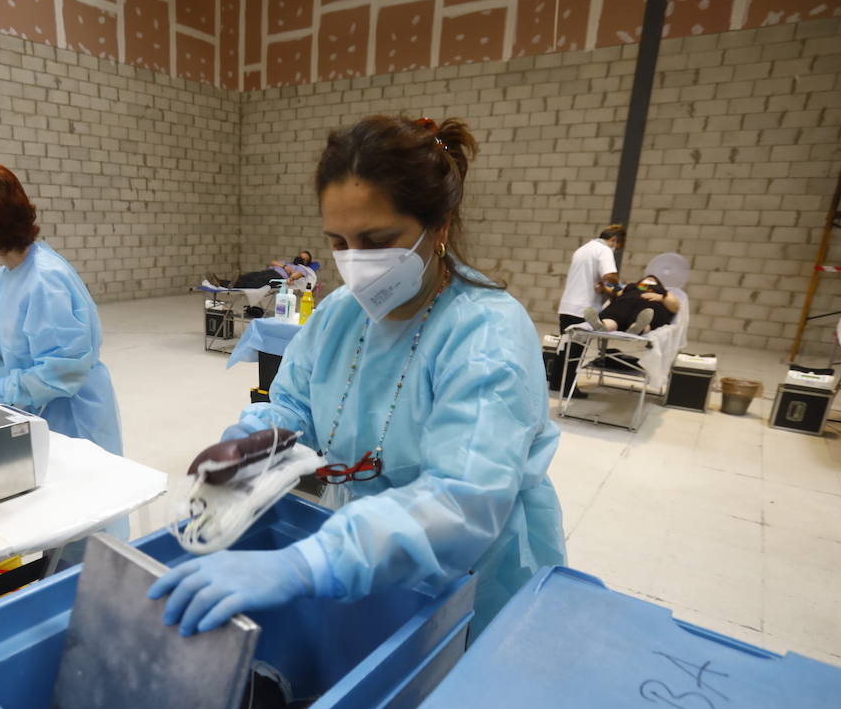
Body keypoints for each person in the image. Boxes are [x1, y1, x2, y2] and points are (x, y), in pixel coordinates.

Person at [148, 115, 565, 640]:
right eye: (339, 242)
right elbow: (293, 402)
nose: (356, 263)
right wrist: (252, 444)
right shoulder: (341, 313)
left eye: (377, 239)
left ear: (437, 228)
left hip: (476, 569)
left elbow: (462, 500)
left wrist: (304, 565)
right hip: (365, 547)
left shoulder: (485, 336)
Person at [0, 163, 123, 457]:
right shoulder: (7, 275)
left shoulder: (45, 280)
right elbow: (19, 345)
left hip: (74, 414)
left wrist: (0, 388)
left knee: (82, 489)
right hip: (39, 407)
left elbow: (63, 371)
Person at [552, 224, 625, 398]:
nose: (616, 250)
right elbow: (609, 276)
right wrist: (618, 287)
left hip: (567, 306)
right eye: (618, 246)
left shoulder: (581, 250)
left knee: (564, 348)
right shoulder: (604, 250)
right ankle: (569, 389)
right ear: (614, 240)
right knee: (576, 352)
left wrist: (603, 287)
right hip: (584, 309)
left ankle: (556, 383)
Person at [583, 273, 680, 334]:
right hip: (624, 304)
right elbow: (616, 293)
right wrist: (604, 288)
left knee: (646, 315)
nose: (650, 280)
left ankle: (638, 328)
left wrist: (662, 298)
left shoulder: (662, 291)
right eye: (647, 278)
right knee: (615, 313)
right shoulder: (631, 287)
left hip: (648, 305)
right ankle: (604, 326)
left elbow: (675, 307)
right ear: (640, 282)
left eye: (653, 280)